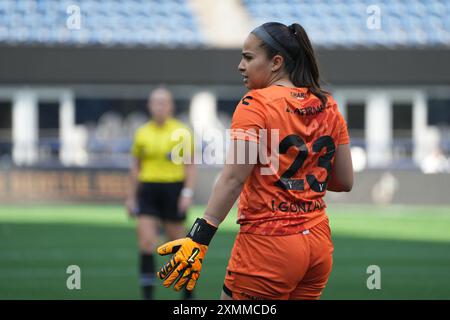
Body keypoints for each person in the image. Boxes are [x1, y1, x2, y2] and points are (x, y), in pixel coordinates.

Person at [156, 22, 353, 300]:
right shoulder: (328, 104)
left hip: (269, 244)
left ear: (276, 62)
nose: (240, 65)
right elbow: (344, 181)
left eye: (248, 58)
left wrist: (200, 236)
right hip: (318, 245)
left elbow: (234, 179)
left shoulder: (256, 104)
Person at [125, 87, 196, 300]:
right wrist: (130, 197)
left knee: (178, 246)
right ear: (149, 106)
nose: (159, 106)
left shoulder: (182, 131)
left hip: (173, 190)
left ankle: (188, 295)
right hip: (148, 190)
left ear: (171, 106)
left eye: (163, 102)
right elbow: (135, 167)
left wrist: (187, 192)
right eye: (155, 102)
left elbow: (190, 165)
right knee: (146, 243)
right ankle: (148, 296)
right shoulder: (142, 133)